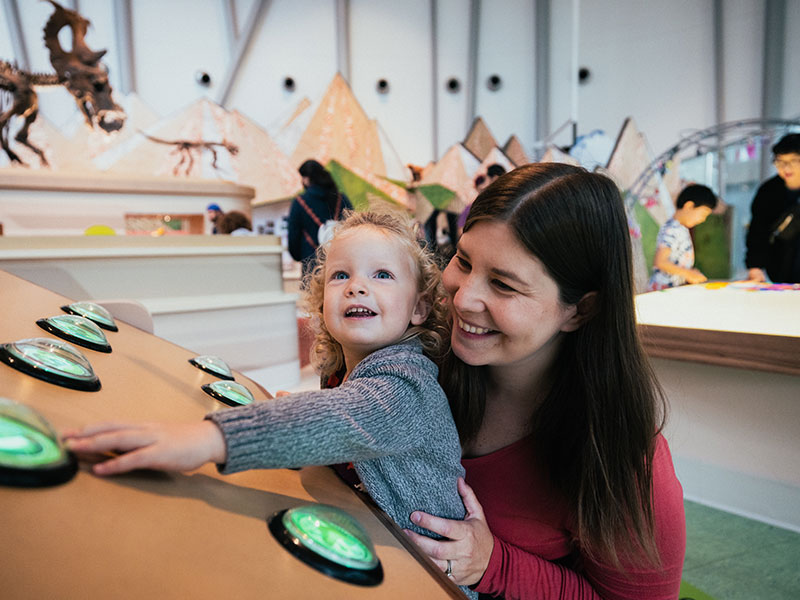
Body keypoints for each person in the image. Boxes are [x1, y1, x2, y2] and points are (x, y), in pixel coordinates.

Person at [64, 211, 474, 595]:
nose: (357, 286)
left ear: (420, 307)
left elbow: (346, 418)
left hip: (430, 583)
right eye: (340, 275)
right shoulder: (346, 370)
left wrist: (207, 439)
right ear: (320, 301)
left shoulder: (409, 382)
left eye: (382, 274)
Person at [404, 163, 686, 599]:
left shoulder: (626, 464)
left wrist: (492, 564)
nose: (462, 297)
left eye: (502, 284)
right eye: (463, 261)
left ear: (581, 310)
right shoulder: (415, 363)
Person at [745, 133, 800, 283]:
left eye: (794, 161)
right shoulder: (768, 191)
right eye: (780, 161)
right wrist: (755, 267)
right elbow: (757, 231)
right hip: (780, 264)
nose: (785, 167)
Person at [287, 159, 353, 278]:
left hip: (312, 264)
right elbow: (354, 228)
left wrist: (301, 255)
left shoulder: (300, 202)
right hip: (341, 263)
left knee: (313, 296)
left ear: (307, 178)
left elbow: (293, 239)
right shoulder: (341, 199)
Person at [648, 183, 717, 290]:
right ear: (689, 206)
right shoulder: (672, 229)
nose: (703, 219)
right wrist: (688, 273)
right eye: (703, 214)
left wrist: (691, 272)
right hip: (662, 291)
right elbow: (660, 261)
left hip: (672, 289)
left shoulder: (681, 228)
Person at [457, 163, 507, 233]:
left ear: (495, 178)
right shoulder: (506, 203)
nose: (484, 183)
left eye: (486, 178)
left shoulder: (480, 205)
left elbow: (461, 230)